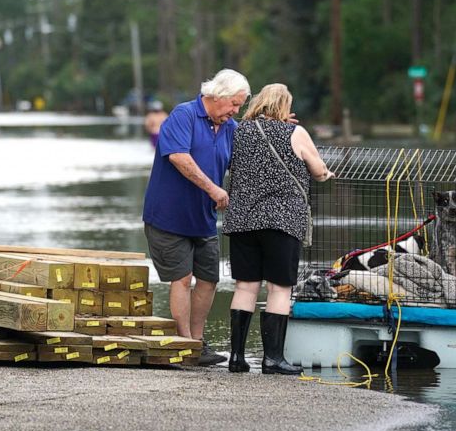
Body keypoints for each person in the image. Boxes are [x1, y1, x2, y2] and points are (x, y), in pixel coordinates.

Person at [221, 83, 333, 374]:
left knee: (245, 286)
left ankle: (236, 358)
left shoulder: (238, 132)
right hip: (282, 221)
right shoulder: (295, 133)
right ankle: (272, 359)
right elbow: (319, 172)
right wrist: (325, 172)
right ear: (285, 106)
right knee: (279, 289)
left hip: (243, 220)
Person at [142, 69, 251, 366]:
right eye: (234, 104)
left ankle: (198, 343)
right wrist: (214, 189)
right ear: (217, 96)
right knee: (183, 278)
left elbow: (247, 157)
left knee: (208, 279)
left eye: (239, 106)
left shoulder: (228, 127)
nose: (235, 112)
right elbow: (179, 156)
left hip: (202, 218)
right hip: (168, 216)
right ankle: (185, 343)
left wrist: (278, 128)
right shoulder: (184, 115)